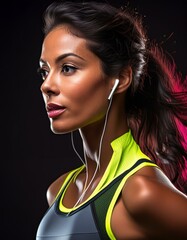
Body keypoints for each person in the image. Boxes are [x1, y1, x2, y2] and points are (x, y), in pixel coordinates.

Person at [36, 1, 187, 239]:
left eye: (67, 68)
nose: (47, 85)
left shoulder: (140, 192)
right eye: (45, 71)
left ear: (121, 78)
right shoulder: (59, 192)